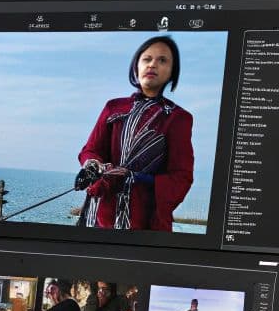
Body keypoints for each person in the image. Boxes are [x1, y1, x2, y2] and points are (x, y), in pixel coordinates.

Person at [74, 36, 195, 231]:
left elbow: (181, 177)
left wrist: (136, 177)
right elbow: (90, 149)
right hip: (99, 212)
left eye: (162, 60)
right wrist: (92, 164)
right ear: (136, 66)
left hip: (144, 220)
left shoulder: (178, 118)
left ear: (172, 72)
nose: (153, 64)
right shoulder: (113, 107)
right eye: (147, 59)